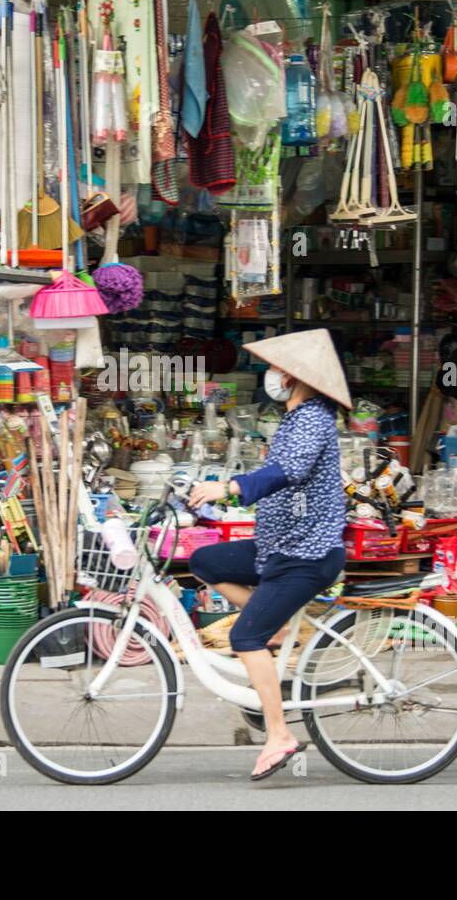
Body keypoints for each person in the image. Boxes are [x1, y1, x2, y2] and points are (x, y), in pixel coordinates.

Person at [187, 329, 350, 781]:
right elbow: (276, 473)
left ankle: (278, 734)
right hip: (277, 548)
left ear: (296, 377)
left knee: (244, 638)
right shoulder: (296, 419)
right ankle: (273, 623)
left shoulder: (314, 418)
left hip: (306, 556)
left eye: (278, 369)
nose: (271, 376)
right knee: (205, 562)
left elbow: (288, 471)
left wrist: (231, 488)